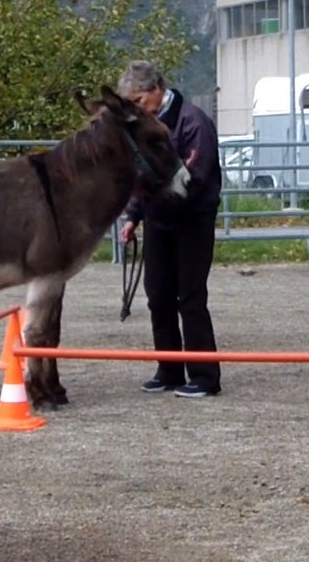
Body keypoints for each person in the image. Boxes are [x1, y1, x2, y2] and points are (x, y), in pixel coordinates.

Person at [117, 60, 223, 398]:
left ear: (157, 90)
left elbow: (199, 178)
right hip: (159, 220)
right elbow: (142, 174)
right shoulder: (144, 127)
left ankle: (205, 377)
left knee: (190, 298)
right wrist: (133, 215)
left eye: (137, 101)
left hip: (193, 220)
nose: (135, 109)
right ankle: (169, 369)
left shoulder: (194, 122)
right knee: (158, 297)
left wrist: (156, 200)